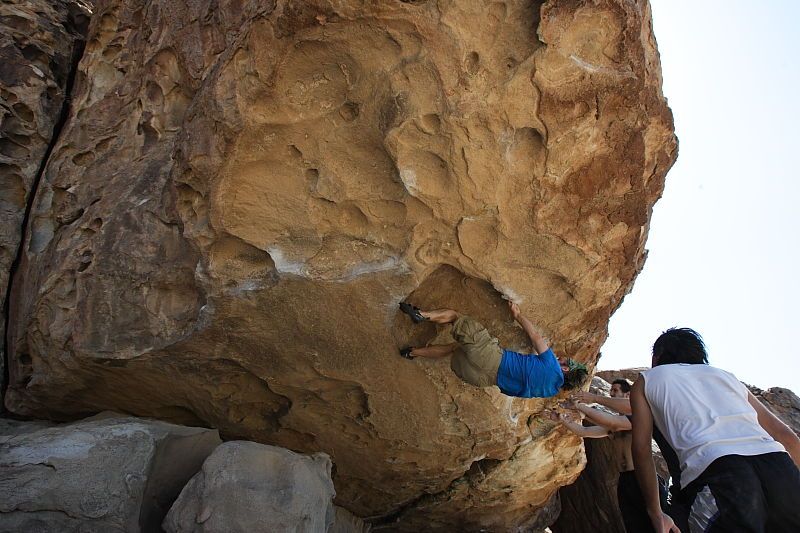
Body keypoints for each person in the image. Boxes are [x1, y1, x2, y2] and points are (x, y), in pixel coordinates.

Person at [631, 327, 800, 533]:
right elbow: (785, 436)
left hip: (720, 474)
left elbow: (641, 449)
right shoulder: (726, 377)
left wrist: (656, 512)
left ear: (657, 356)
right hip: (779, 468)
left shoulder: (649, 379)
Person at [398, 300, 587, 397]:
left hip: (491, 358)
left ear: (565, 369)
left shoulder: (553, 366)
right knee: (456, 348)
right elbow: (511, 391)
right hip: (480, 378)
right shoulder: (548, 392)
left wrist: (517, 315)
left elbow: (535, 337)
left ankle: (421, 315)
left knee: (456, 317)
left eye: (565, 361)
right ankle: (412, 352)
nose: (561, 358)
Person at [554, 379, 668, 533]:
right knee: (634, 526)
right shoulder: (616, 425)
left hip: (642, 479)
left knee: (654, 525)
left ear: (628, 395)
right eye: (611, 390)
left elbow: (614, 423)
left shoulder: (639, 418)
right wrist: (562, 419)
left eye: (615, 391)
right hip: (625, 480)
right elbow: (585, 432)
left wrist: (580, 405)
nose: (611, 394)